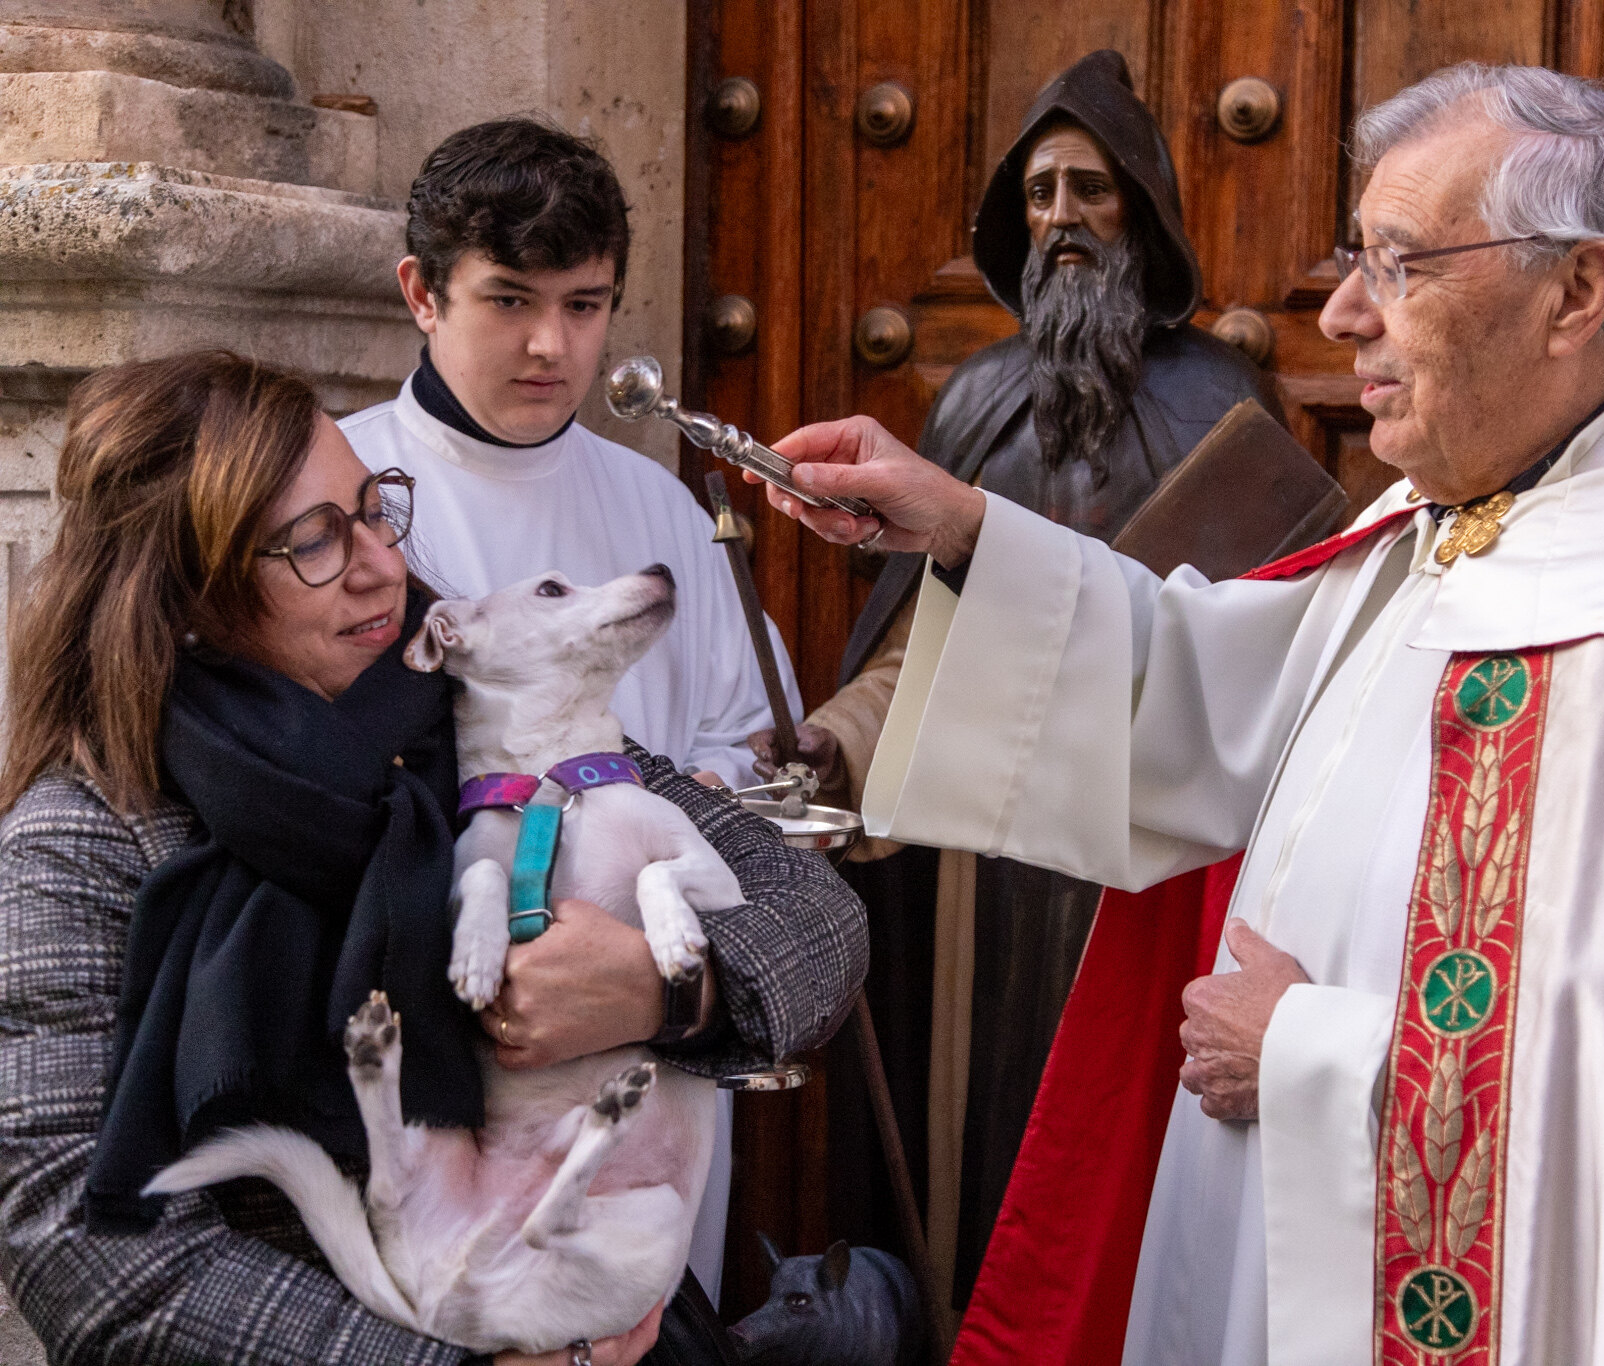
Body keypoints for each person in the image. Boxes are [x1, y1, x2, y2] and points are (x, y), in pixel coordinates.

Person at [758, 64, 1604, 1365]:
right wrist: (966, 528)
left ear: (1577, 292)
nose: (1345, 311)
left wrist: (1305, 1053)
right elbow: (1205, 690)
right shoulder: (1462, 513)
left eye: (1400, 264)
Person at [0, 351, 864, 1365]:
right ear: (187, 596)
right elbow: (84, 1245)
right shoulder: (81, 841)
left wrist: (666, 988)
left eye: (374, 510)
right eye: (312, 541)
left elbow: (816, 919)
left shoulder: (487, 710)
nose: (380, 564)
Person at [751, 48, 1267, 1301]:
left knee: (1129, 1145)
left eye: (1089, 188)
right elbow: (914, 637)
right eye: (1039, 194)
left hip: (1153, 836)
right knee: (984, 1127)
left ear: (1139, 205)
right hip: (986, 850)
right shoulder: (977, 398)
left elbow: (1258, 640)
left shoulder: (1221, 397)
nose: (1062, 218)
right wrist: (836, 741)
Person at [339, 117, 802, 1304]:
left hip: (647, 1051)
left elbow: (739, 748)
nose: (552, 344)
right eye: (510, 300)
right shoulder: (343, 494)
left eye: (585, 305)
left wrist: (654, 934)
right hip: (444, 1048)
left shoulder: (660, 511)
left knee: (636, 1310)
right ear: (421, 294)